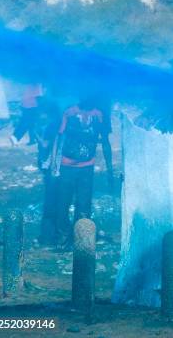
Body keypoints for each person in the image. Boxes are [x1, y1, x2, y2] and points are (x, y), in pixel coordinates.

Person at [50, 98, 112, 248]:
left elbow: (105, 141)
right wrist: (54, 163)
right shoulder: (69, 113)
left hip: (86, 167)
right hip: (67, 166)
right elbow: (58, 137)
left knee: (84, 205)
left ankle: (81, 240)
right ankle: (63, 240)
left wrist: (110, 168)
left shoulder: (99, 115)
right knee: (63, 204)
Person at [33, 99, 62, 246]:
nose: (38, 114)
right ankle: (54, 235)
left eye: (40, 112)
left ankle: (47, 237)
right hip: (55, 168)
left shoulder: (51, 126)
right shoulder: (56, 124)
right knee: (56, 202)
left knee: (50, 204)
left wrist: (36, 135)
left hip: (52, 169)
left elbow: (45, 145)